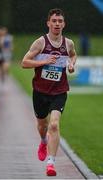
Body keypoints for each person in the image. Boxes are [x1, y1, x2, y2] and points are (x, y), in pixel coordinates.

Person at [21, 8, 77, 176]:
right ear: (48, 23)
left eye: (60, 21)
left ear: (64, 24)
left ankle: (51, 164)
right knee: (42, 125)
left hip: (59, 90)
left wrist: (72, 64)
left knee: (53, 124)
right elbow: (24, 63)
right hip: (40, 90)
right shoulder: (40, 42)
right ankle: (43, 141)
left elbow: (73, 55)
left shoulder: (69, 43)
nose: (57, 24)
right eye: (54, 21)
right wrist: (44, 61)